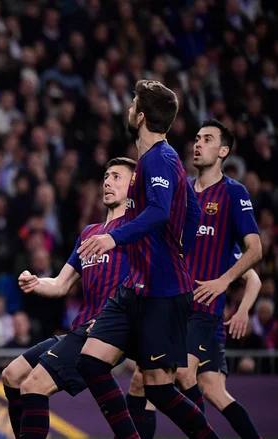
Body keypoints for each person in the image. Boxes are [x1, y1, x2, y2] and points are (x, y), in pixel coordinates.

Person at [75, 80, 220, 439]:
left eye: (132, 104)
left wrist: (113, 237)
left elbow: (158, 212)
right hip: (136, 288)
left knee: (159, 389)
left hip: (162, 292)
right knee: (91, 362)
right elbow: (191, 212)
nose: (128, 109)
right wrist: (177, 247)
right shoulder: (160, 159)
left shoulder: (159, 159)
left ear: (140, 117)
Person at [128, 119, 263, 439]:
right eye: (197, 138)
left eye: (207, 139)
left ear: (223, 151)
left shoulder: (233, 193)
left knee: (186, 373)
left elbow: (255, 251)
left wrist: (225, 283)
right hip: (170, 300)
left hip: (204, 307)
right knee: (146, 379)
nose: (197, 144)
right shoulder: (181, 187)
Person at [0, 157, 137, 439]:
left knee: (34, 385)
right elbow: (61, 284)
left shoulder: (136, 230)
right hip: (80, 329)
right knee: (12, 376)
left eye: (117, 177)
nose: (108, 182)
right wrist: (37, 282)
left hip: (105, 332)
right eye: (106, 177)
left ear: (134, 186)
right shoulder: (89, 233)